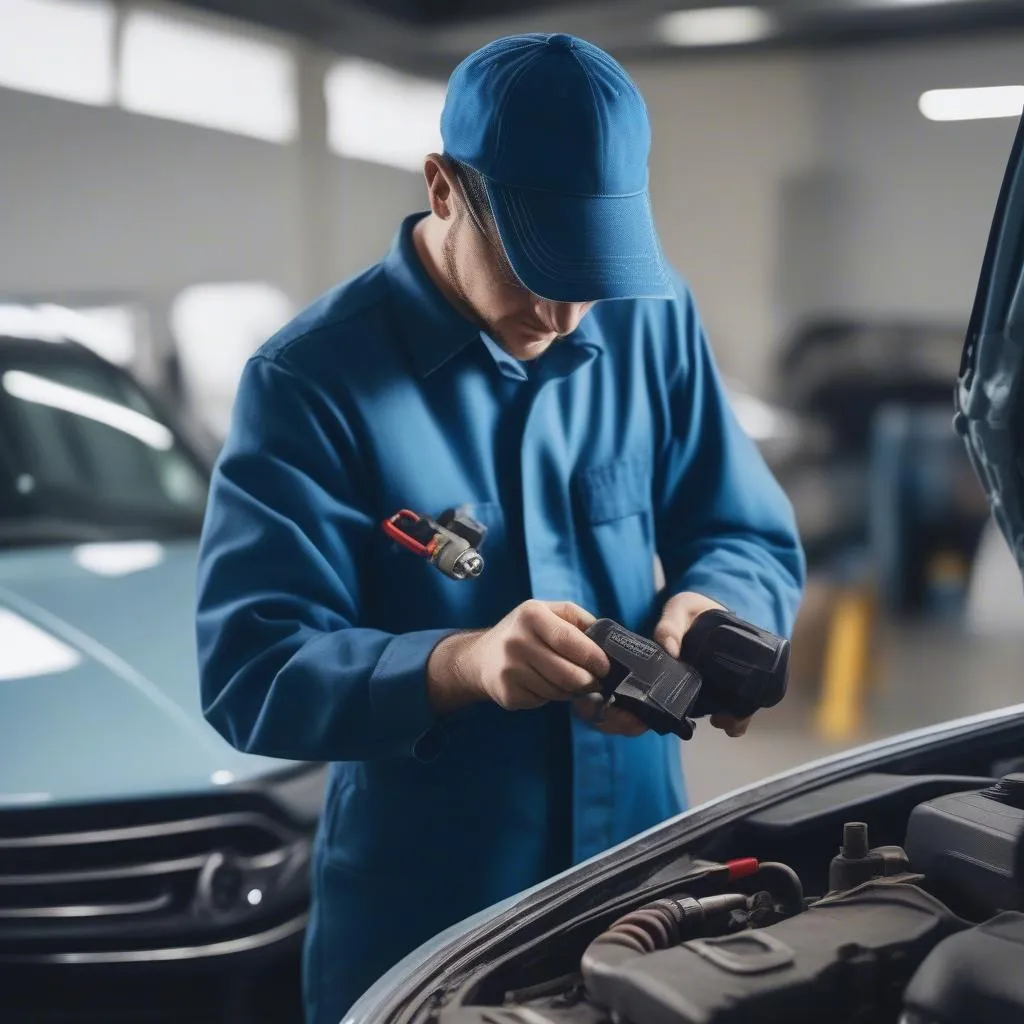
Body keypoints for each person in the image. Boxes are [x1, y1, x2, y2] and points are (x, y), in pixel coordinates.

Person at [195, 32, 805, 1024]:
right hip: (428, 911)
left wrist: (714, 609)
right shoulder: (309, 381)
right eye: (532, 265)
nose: (562, 313)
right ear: (443, 188)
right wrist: (461, 664)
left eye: (589, 270)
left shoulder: (649, 320)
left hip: (643, 873)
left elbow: (740, 525)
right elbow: (251, 668)